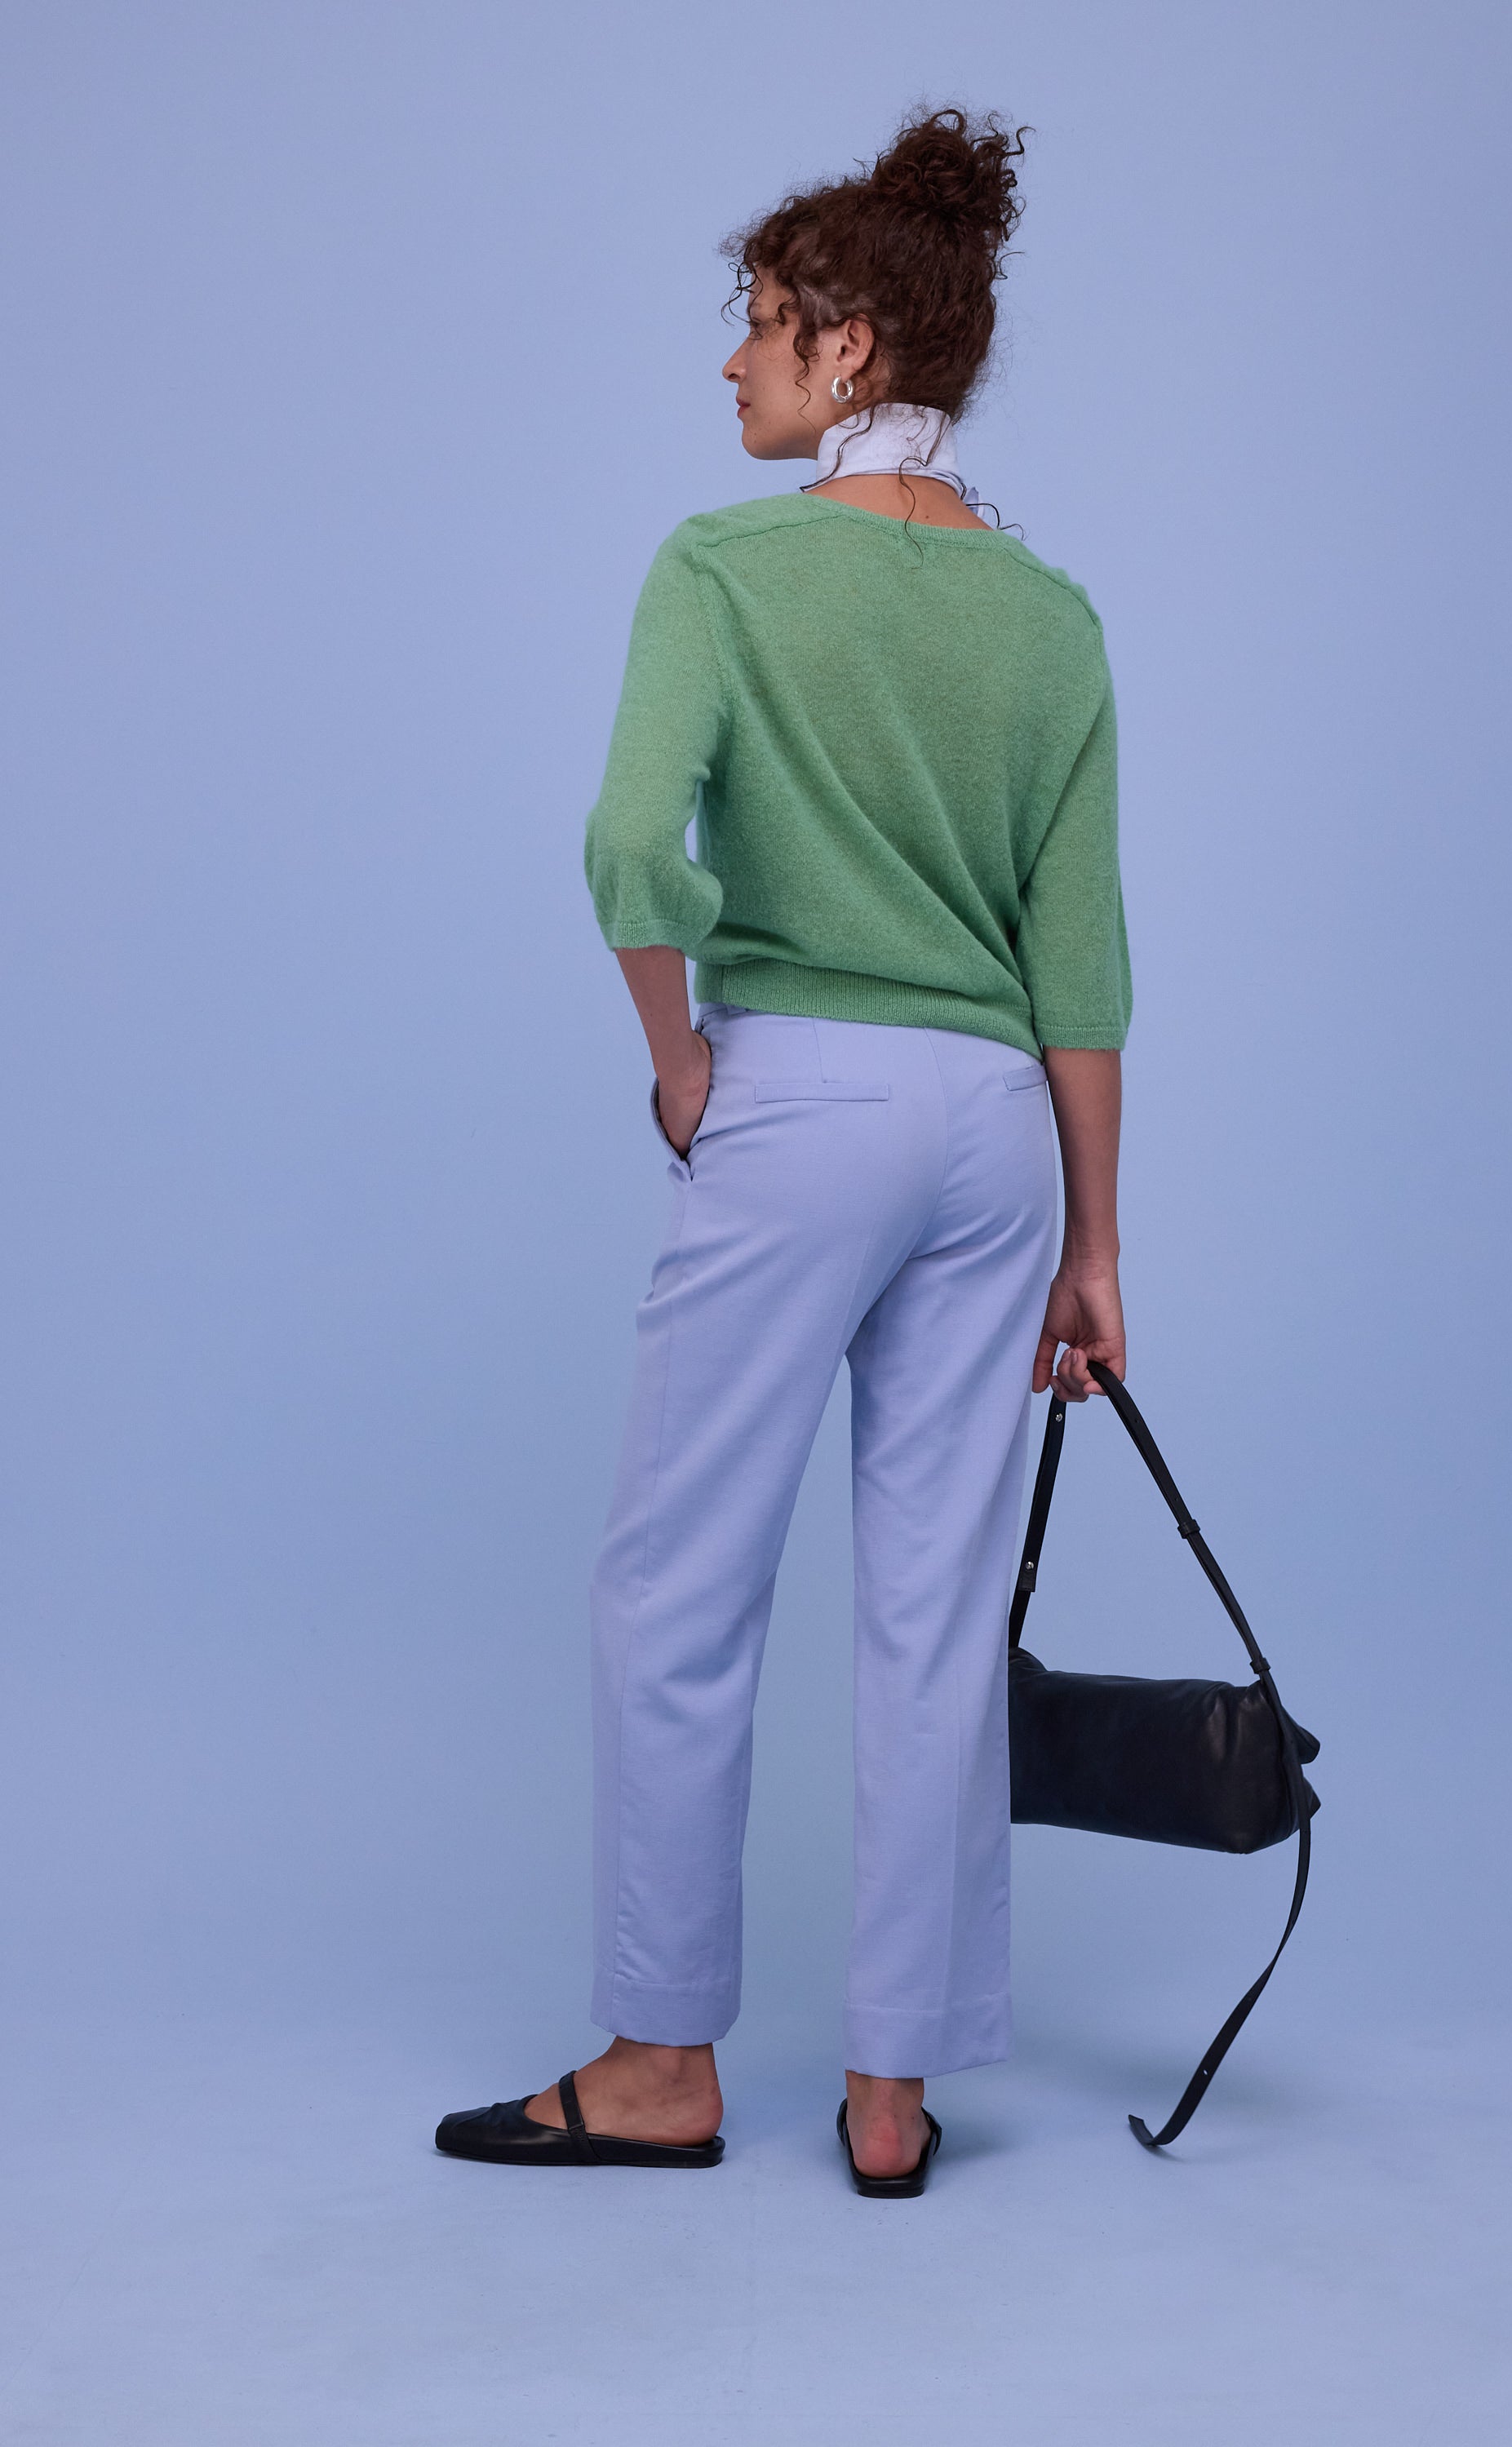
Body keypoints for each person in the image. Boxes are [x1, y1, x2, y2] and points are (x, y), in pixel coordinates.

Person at [437, 105, 1131, 2197]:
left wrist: (678, 1059)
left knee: (681, 1586)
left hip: (803, 1094)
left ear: (849, 350)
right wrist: (1097, 1245)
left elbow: (628, 839)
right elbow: (1080, 954)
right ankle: (893, 2093)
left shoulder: (724, 566)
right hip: (997, 1132)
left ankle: (664, 2066)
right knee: (930, 1611)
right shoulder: (1051, 616)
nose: (731, 361)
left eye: (758, 322)